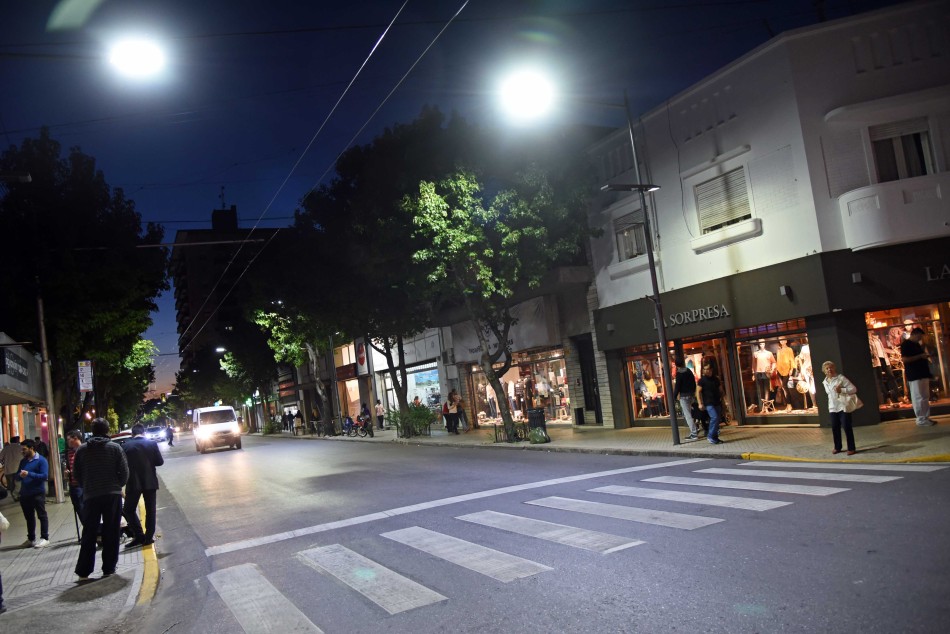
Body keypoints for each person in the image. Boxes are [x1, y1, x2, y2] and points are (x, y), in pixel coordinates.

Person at [73, 418, 129, 580]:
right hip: (112, 494)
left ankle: (84, 570)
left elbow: (77, 474)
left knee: (89, 532)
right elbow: (125, 473)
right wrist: (117, 485)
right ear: (107, 430)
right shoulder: (115, 448)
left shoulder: (82, 450)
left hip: (91, 495)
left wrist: (87, 486)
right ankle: (109, 568)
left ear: (92, 430)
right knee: (111, 531)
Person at [122, 423, 164, 548]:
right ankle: (148, 537)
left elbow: (122, 466)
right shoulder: (152, 444)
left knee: (128, 509)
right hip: (150, 481)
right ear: (144, 432)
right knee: (150, 510)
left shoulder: (125, 446)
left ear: (132, 434)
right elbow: (160, 462)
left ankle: (139, 535)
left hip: (133, 482)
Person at [15, 439, 50, 548]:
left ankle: (45, 538)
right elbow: (17, 476)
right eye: (22, 450)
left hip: (37, 493)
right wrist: (20, 476)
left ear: (32, 448)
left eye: (24, 449)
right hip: (25, 494)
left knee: (41, 515)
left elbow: (44, 476)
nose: (22, 452)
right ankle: (31, 538)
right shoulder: (23, 461)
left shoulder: (41, 460)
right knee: (29, 517)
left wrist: (29, 474)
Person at [821, 361, 858, 455]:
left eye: (831, 367)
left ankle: (851, 448)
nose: (829, 370)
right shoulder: (825, 382)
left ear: (834, 368)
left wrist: (842, 390)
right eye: (827, 368)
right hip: (832, 407)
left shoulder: (840, 378)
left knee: (846, 427)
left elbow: (854, 389)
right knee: (835, 427)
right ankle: (837, 447)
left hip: (843, 406)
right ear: (824, 371)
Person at [901, 327, 936, 427]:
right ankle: (921, 419)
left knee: (924, 396)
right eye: (919, 336)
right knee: (918, 397)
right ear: (914, 334)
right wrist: (920, 356)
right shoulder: (906, 344)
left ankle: (925, 417)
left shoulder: (916, 344)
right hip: (915, 374)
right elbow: (905, 359)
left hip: (922, 373)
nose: (920, 339)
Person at [672, 357, 699, 439]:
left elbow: (677, 387)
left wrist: (674, 397)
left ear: (676, 365)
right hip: (691, 395)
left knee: (687, 415)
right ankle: (696, 428)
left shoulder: (679, 374)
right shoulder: (688, 371)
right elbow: (693, 382)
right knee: (692, 412)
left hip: (684, 396)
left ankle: (694, 433)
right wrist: (693, 392)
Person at [698, 365, 725, 445]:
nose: (707, 371)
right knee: (714, 417)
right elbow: (698, 392)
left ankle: (715, 437)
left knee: (717, 420)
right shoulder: (702, 380)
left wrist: (723, 400)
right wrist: (700, 403)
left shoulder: (716, 379)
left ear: (711, 370)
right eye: (705, 369)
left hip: (717, 401)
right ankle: (710, 436)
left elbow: (721, 390)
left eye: (708, 369)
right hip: (708, 403)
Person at [63, 430, 85, 520]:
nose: (67, 442)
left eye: (69, 439)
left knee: (85, 508)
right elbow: (68, 467)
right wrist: (67, 472)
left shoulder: (85, 450)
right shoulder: (68, 453)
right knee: (78, 508)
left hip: (84, 485)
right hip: (73, 485)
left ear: (75, 438)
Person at [0, 436, 22, 500]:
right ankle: (18, 495)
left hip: (8, 469)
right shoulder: (20, 448)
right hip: (19, 469)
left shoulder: (6, 449)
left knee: (11, 485)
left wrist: (4, 463)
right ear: (17, 441)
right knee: (19, 483)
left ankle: (14, 496)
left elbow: (0, 458)